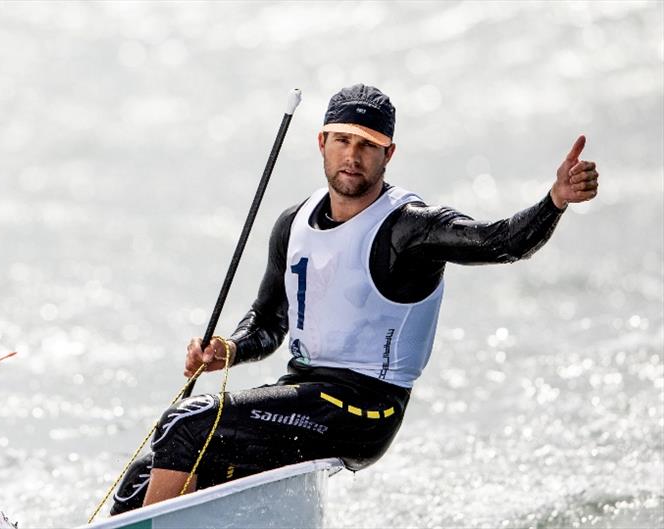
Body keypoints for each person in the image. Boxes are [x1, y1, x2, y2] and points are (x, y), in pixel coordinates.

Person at [110, 84, 599, 514]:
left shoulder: (410, 228)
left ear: (389, 155)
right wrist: (228, 350)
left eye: (368, 145)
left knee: (187, 424)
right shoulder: (292, 223)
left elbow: (500, 242)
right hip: (302, 394)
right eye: (343, 140)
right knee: (142, 476)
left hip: (364, 411)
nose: (353, 155)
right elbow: (269, 320)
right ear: (321, 143)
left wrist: (554, 200)